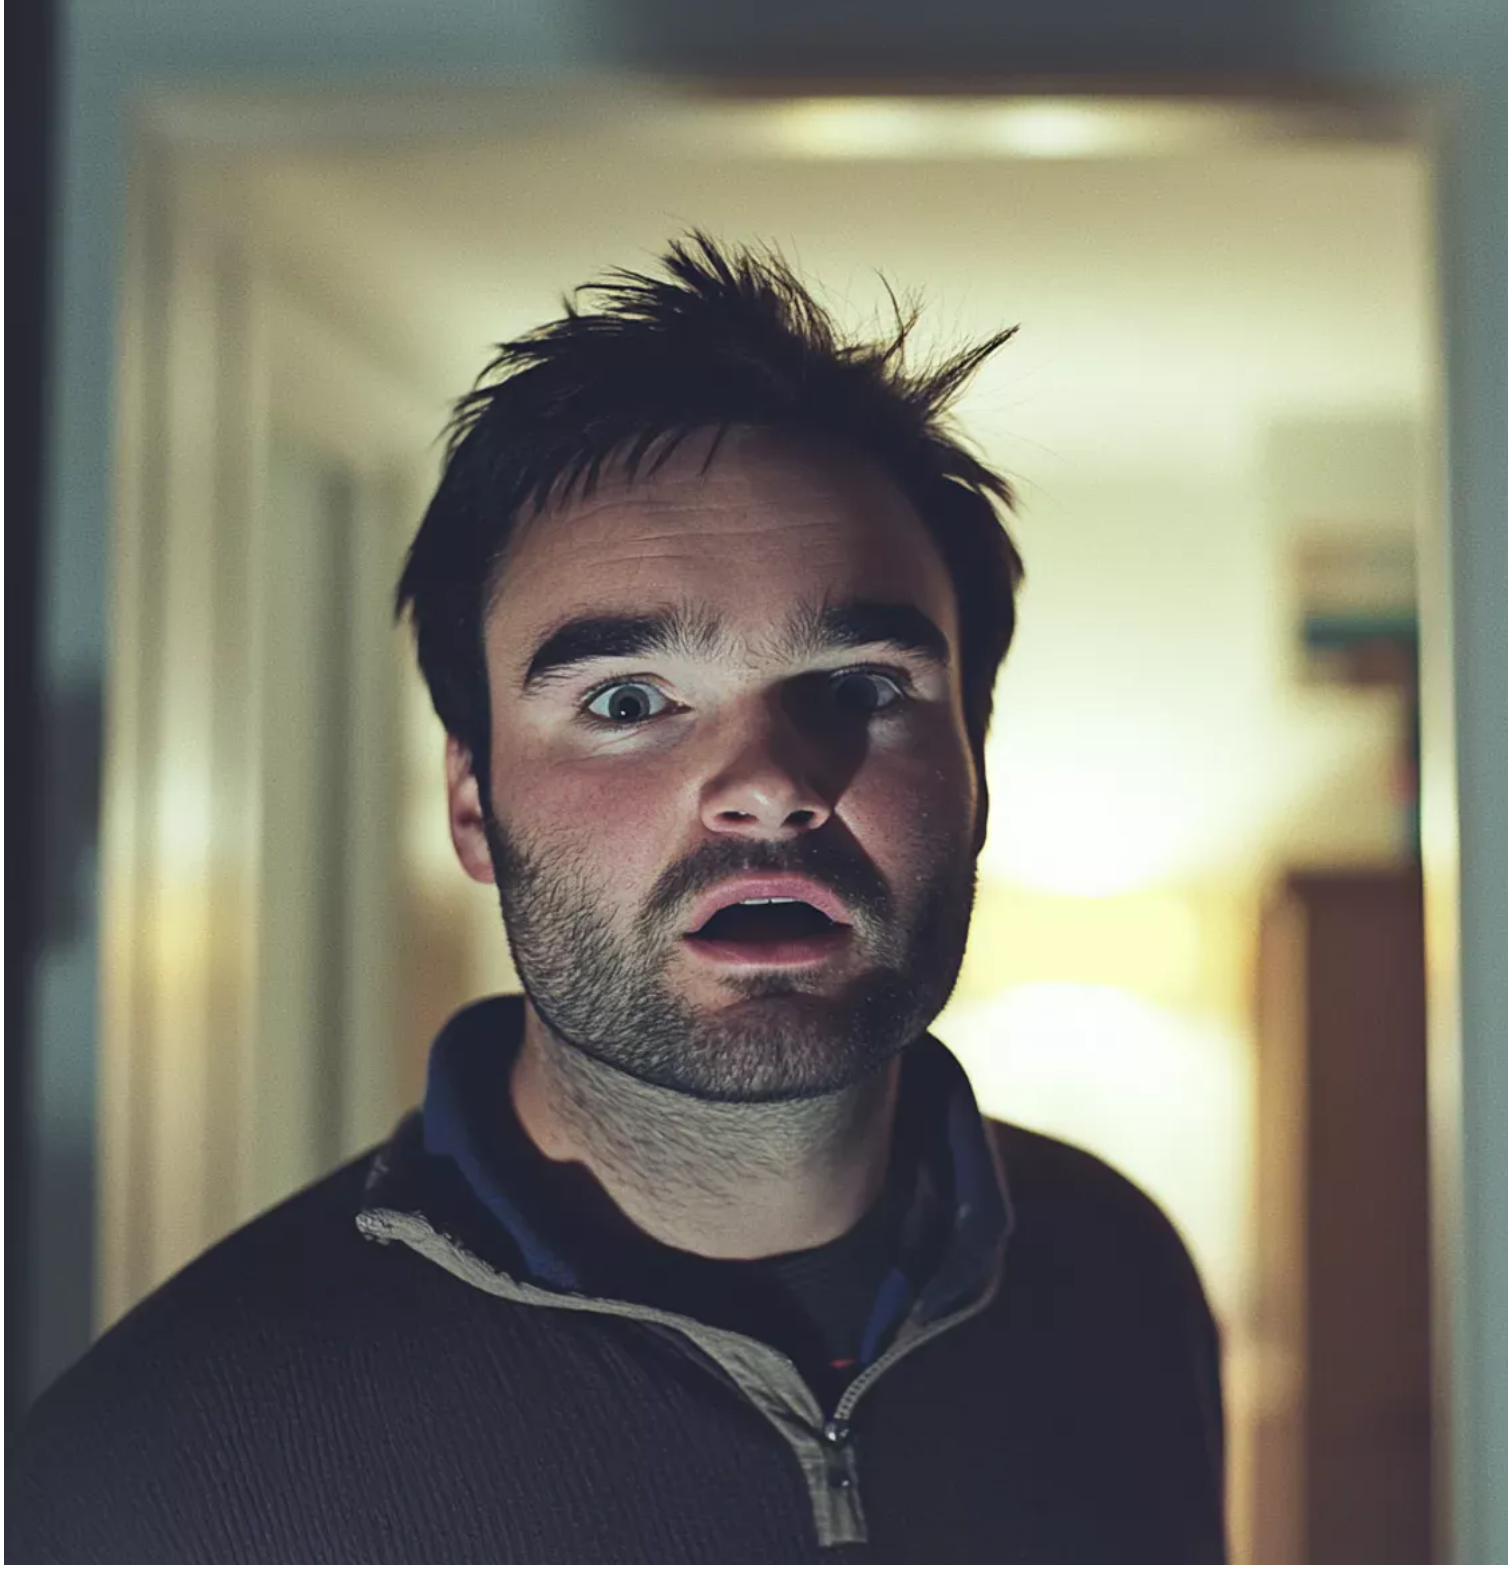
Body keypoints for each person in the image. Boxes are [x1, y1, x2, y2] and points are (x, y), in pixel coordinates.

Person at [11, 235, 1226, 1564]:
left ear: (974, 771)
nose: (767, 786)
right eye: (628, 700)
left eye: (860, 686)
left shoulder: (1115, 1273)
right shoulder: (156, 1471)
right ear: (473, 805)